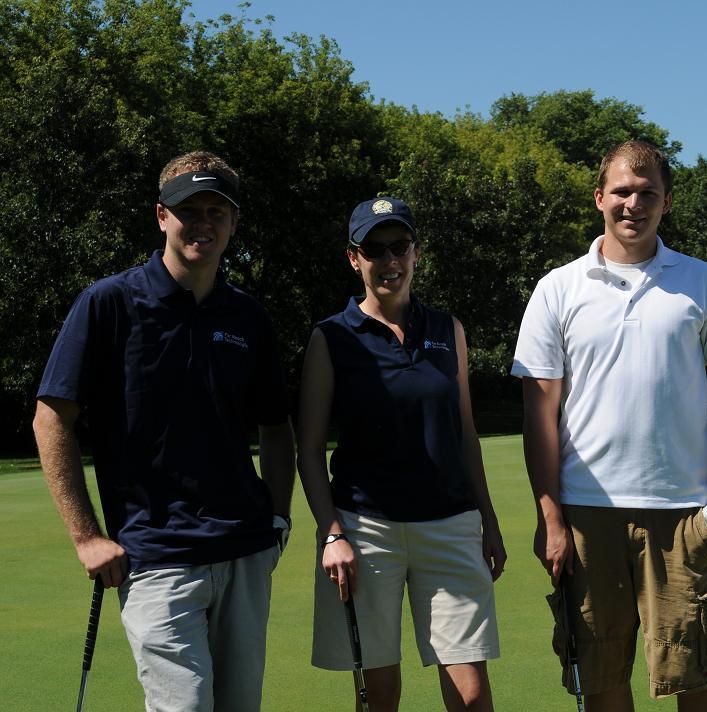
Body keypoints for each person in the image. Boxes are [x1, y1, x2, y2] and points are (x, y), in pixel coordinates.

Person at [33, 151, 296, 711]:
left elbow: (277, 426)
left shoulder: (247, 317)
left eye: (216, 212)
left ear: (233, 223)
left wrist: (278, 517)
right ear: (161, 216)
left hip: (246, 550)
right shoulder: (109, 303)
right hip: (155, 555)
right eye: (189, 210)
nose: (203, 223)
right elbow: (51, 418)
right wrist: (86, 536)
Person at [511, 140, 707, 711]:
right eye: (622, 192)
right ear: (600, 198)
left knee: (696, 676)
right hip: (585, 514)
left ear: (666, 202)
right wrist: (550, 517)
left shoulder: (702, 282)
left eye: (647, 194)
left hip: (681, 515)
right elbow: (539, 415)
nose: (633, 204)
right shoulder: (559, 288)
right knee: (601, 680)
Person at [297, 196, 506, 712]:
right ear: (355, 258)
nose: (390, 260)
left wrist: (490, 521)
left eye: (400, 247)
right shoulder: (331, 337)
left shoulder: (446, 329)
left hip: (451, 524)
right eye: (375, 249)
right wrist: (331, 532)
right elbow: (308, 448)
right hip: (366, 532)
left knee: (472, 692)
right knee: (380, 693)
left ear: (416, 253)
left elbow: (464, 432)